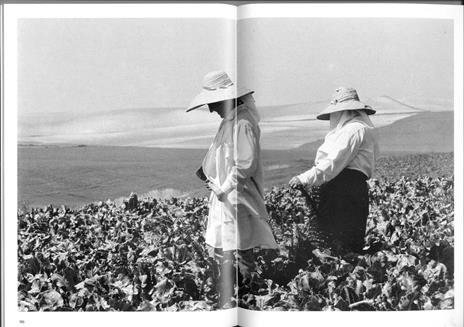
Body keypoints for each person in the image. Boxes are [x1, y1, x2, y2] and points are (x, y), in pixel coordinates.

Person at [187, 71, 278, 308]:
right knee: (228, 243)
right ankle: (232, 290)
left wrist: (224, 188)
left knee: (241, 245)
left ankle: (248, 295)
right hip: (226, 195)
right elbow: (223, 156)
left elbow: (245, 163)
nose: (211, 109)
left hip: (236, 195)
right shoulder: (231, 122)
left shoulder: (243, 123)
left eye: (214, 103)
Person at [289, 87, 379, 254]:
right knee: (347, 241)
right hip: (352, 190)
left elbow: (333, 162)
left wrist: (304, 178)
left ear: (345, 111)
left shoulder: (353, 130)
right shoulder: (359, 129)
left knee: (336, 242)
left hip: (343, 192)